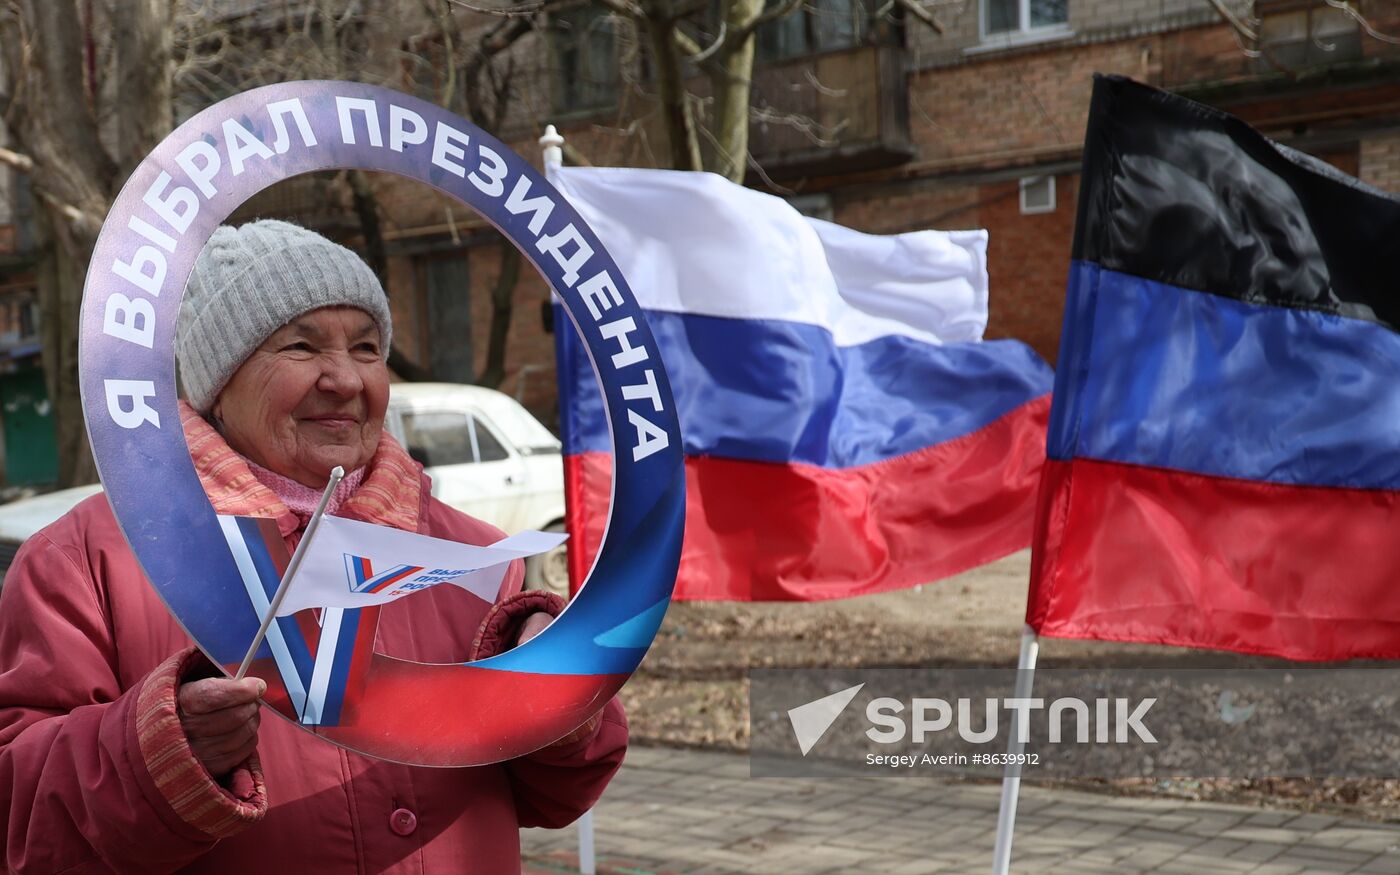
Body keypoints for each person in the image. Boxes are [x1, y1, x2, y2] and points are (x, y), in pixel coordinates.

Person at [0, 220, 626, 873]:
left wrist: (559, 692)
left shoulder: (477, 557)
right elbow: (19, 820)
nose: (345, 379)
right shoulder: (88, 559)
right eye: (300, 346)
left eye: (365, 347)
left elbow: (559, 795)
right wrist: (157, 750)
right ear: (220, 383)